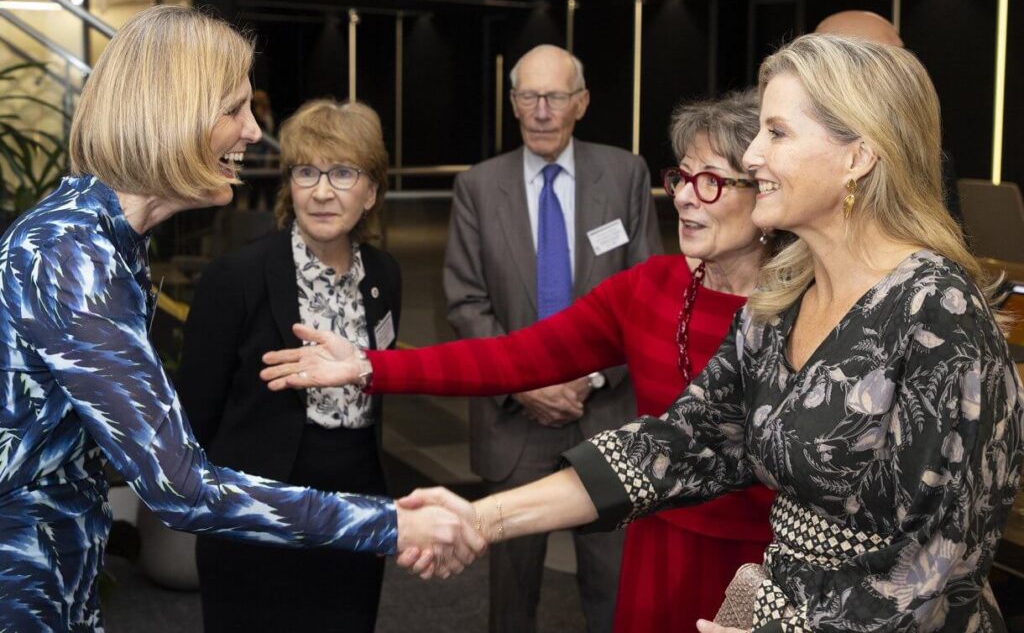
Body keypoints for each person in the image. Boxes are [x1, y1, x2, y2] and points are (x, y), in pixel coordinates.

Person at [397, 34, 1024, 631]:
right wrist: (481, 517)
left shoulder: (937, 312)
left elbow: (942, 562)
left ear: (857, 157)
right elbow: (680, 444)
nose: (751, 157)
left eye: (777, 133)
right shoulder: (780, 301)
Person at [0, 7, 482, 631]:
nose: (256, 133)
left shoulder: (106, 242)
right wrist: (391, 523)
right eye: (235, 110)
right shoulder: (72, 258)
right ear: (172, 115)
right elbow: (181, 487)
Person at [263, 91, 777, 630]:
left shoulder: (806, 312)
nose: (686, 199)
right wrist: (370, 366)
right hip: (657, 547)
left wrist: (480, 519)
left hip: (761, 564)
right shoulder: (652, 288)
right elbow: (512, 357)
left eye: (711, 182)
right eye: (682, 178)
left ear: (764, 192)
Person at [440, 44, 661, 632]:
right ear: (512, 104)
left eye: (555, 97)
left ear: (581, 103)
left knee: (615, 593)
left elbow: (647, 296)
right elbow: (465, 301)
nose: (541, 111)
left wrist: (587, 377)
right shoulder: (478, 188)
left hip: (606, 414)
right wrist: (528, 380)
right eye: (528, 97)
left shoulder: (625, 175)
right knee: (510, 596)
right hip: (515, 422)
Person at [178, 99, 400, 632]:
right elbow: (195, 416)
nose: (322, 191)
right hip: (258, 515)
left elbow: (377, 394)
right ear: (289, 186)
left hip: (354, 507)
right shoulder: (236, 277)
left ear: (371, 192)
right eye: (307, 172)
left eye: (343, 173)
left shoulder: (385, 277)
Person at [814, 9, 964, 226]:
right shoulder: (777, 155)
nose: (903, 73)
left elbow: (948, 244)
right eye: (886, 60)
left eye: (903, 59)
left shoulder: (926, 157)